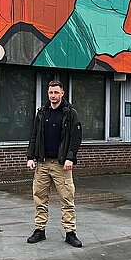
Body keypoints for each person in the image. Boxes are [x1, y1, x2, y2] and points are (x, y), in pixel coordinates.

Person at [26, 80, 83, 247]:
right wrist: (30, 157)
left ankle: (70, 232)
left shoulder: (70, 113)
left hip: (61, 165)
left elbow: (75, 138)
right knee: (39, 197)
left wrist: (70, 158)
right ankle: (39, 230)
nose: (53, 96)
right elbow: (34, 135)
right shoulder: (42, 112)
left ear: (62, 93)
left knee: (67, 198)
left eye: (56, 92)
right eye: (51, 93)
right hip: (42, 163)